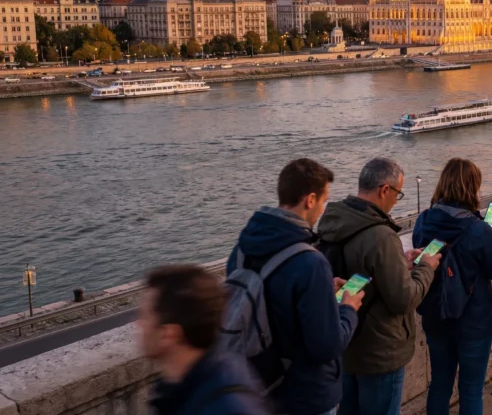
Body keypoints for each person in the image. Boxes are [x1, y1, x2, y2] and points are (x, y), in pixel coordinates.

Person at [228, 159, 362, 415]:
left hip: (259, 387)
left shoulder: (242, 250)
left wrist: (323, 289)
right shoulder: (310, 263)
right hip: (306, 395)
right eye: (323, 201)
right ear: (310, 200)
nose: (322, 209)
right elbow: (327, 346)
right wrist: (348, 309)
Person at [317, 158, 441, 415]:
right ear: (385, 190)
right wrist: (426, 267)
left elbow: (362, 272)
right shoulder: (381, 235)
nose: (396, 201)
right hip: (381, 351)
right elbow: (404, 299)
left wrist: (399, 263)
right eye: (397, 194)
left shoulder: (333, 221)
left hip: (348, 346)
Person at [413, 158, 492, 415]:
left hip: (437, 314)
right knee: (470, 389)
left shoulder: (424, 220)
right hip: (473, 321)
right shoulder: (479, 229)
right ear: (472, 188)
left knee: (440, 383)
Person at [143, 265, 269, 415]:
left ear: (169, 333)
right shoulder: (191, 386)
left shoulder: (224, 406)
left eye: (145, 316)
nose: (139, 324)